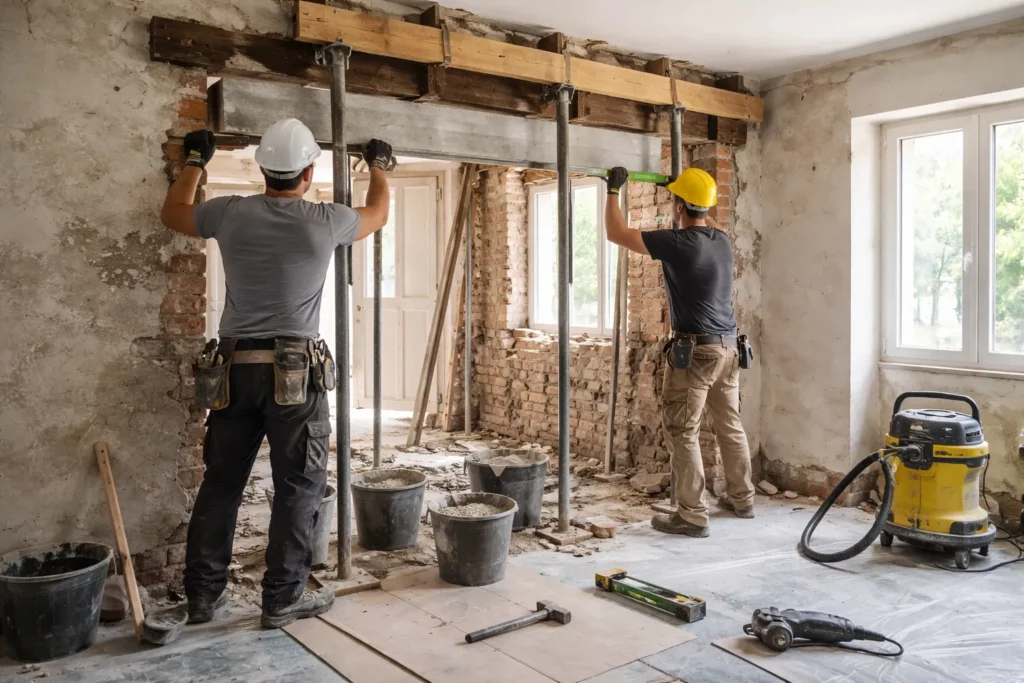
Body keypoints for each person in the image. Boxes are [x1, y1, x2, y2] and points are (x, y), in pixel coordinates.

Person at [160, 119, 394, 627]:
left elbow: (173, 213)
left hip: (234, 370)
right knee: (299, 486)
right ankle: (282, 599)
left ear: (263, 169)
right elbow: (378, 213)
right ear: (309, 171)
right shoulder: (326, 220)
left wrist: (195, 164)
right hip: (294, 373)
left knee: (221, 484)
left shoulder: (230, 212)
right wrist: (378, 168)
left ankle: (203, 597)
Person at [602, 166, 754, 537]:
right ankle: (742, 498)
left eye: (674, 200)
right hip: (729, 349)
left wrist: (612, 192)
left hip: (698, 353)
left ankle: (692, 514)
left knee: (681, 430)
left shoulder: (679, 243)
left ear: (680, 206)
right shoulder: (720, 239)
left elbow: (615, 234)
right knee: (729, 424)